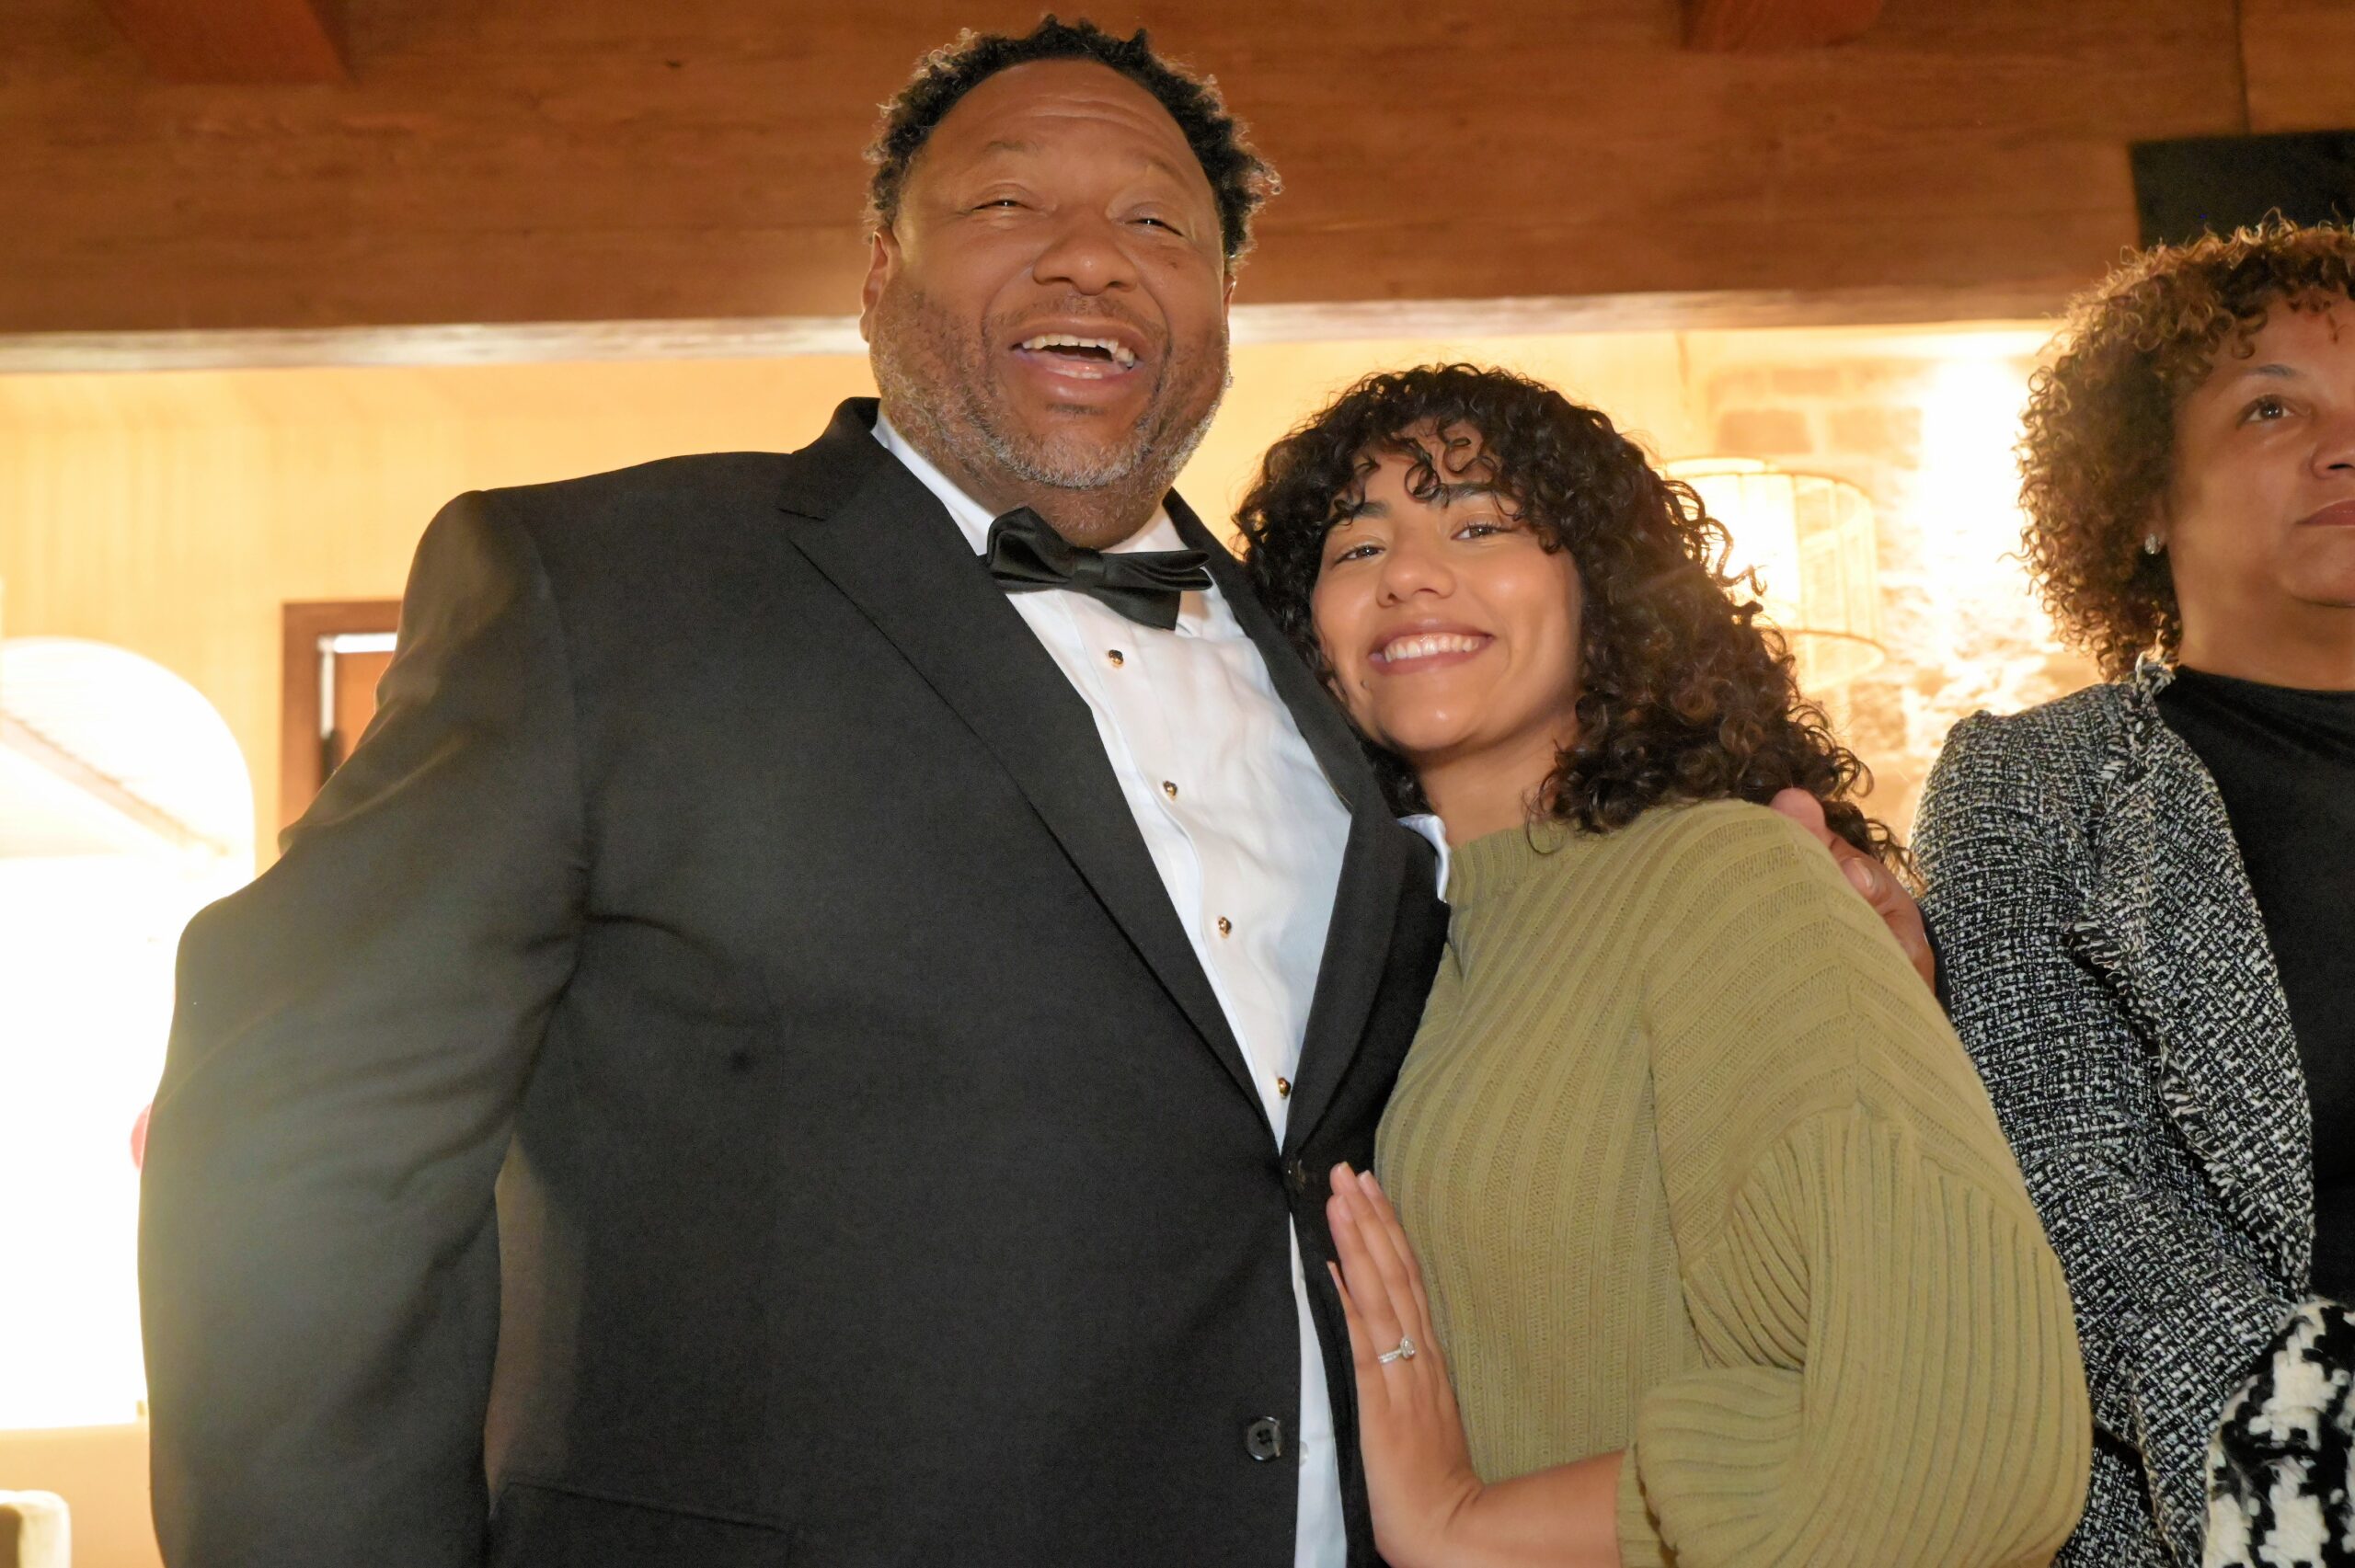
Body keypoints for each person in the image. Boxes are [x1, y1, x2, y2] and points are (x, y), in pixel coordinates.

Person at [139, 20, 1926, 1567]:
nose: (1090, 259)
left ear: (1219, 311)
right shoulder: (603, 590)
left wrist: (1806, 877)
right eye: (1007, 203)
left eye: (1158, 224)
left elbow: (1551, 913)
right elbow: (303, 1148)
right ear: (877, 272)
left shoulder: (1342, 672)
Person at [1237, 363, 2092, 1568]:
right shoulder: (1376, 952)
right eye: (1357, 546)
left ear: (1606, 591)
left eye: (1480, 526)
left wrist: (1462, 1525)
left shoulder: (1727, 876)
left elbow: (1956, 1449)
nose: (1409, 574)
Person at [1913, 221, 2355, 1567]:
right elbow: (2079, 1197)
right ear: (2143, 497)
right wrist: (2312, 1482)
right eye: (2272, 406)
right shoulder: (2038, 786)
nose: (2344, 445)